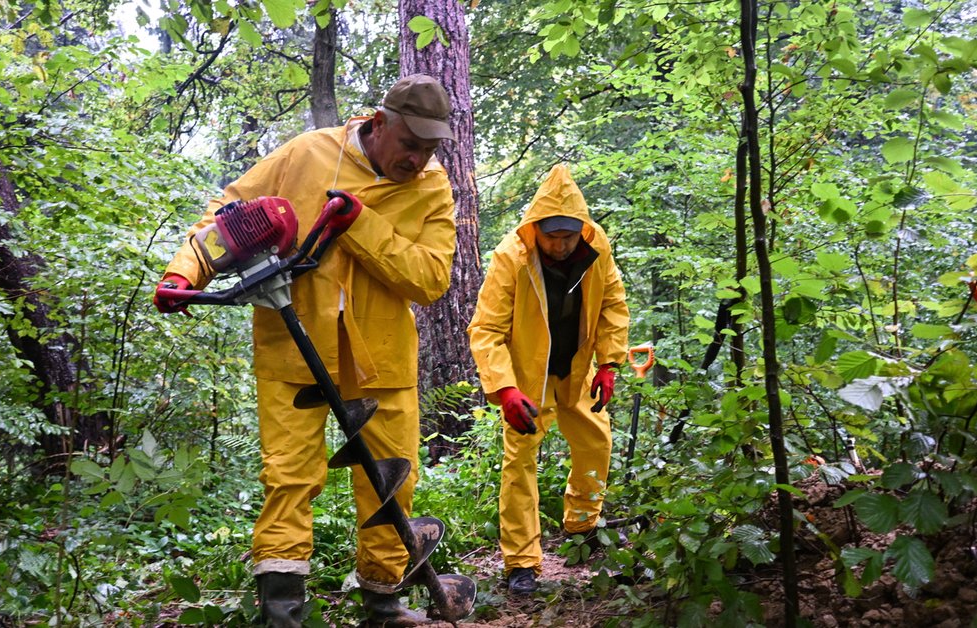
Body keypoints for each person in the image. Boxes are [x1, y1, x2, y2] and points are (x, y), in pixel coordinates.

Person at [154, 74, 457, 627]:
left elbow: (432, 279)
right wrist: (184, 272)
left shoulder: (433, 188)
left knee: (391, 477)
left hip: (381, 356)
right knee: (289, 478)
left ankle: (385, 603)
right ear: (379, 123)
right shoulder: (307, 153)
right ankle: (282, 612)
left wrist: (361, 225)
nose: (418, 160)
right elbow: (229, 214)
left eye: (430, 148)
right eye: (410, 144)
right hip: (290, 347)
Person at [466, 163, 630, 596]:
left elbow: (613, 303)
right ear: (534, 229)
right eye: (552, 235)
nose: (560, 244)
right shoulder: (511, 258)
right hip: (526, 381)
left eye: (568, 235)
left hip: (576, 371)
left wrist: (610, 364)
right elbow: (485, 329)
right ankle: (521, 563)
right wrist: (505, 388)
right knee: (520, 464)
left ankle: (583, 526)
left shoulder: (597, 252)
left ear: (582, 230)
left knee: (596, 441)